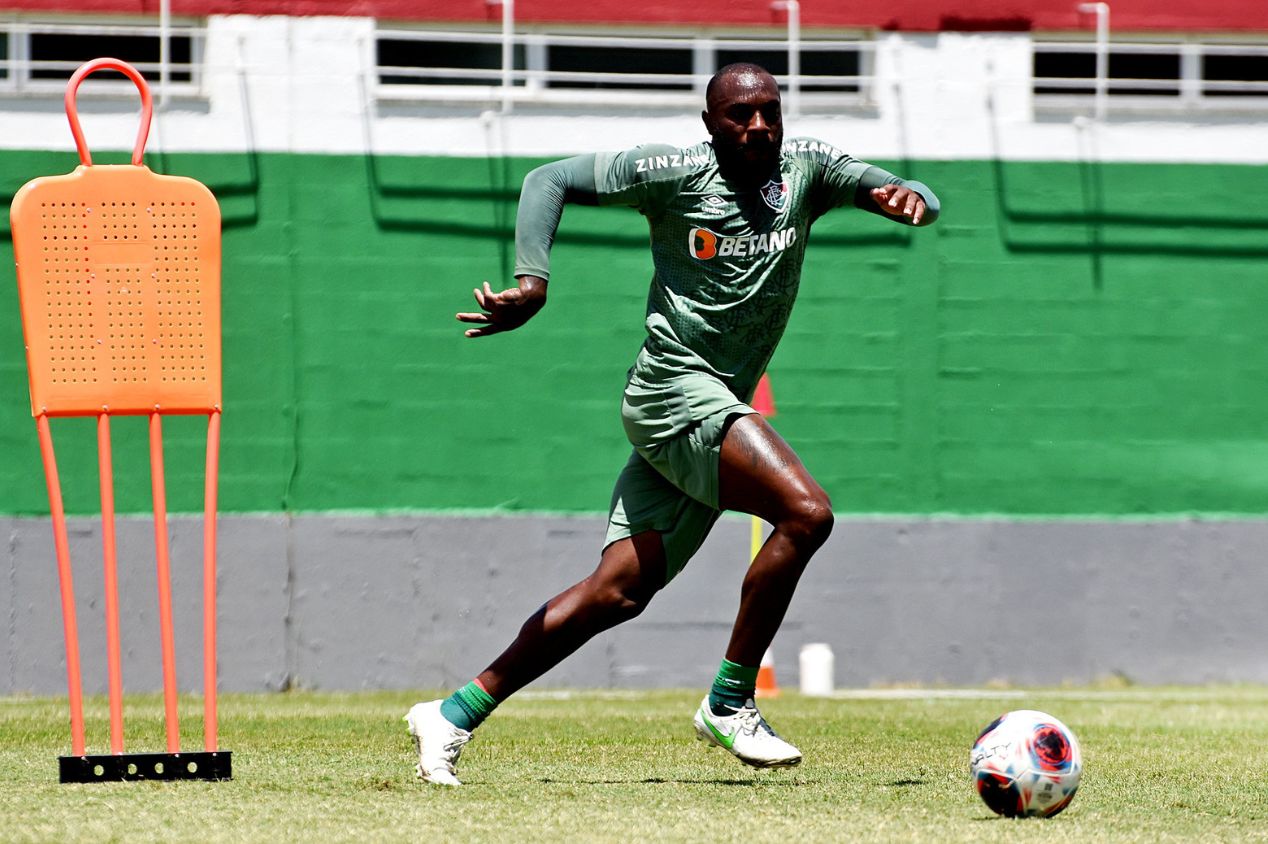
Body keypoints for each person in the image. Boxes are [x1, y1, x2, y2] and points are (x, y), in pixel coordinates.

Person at [406, 63, 940, 786]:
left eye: (768, 112)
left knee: (618, 592)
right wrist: (533, 279)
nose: (757, 126)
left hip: (712, 402)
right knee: (807, 513)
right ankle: (730, 702)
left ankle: (453, 713)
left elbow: (908, 192)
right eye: (739, 115)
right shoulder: (672, 172)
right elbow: (547, 179)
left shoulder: (807, 169)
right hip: (673, 393)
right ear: (710, 123)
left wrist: (906, 199)